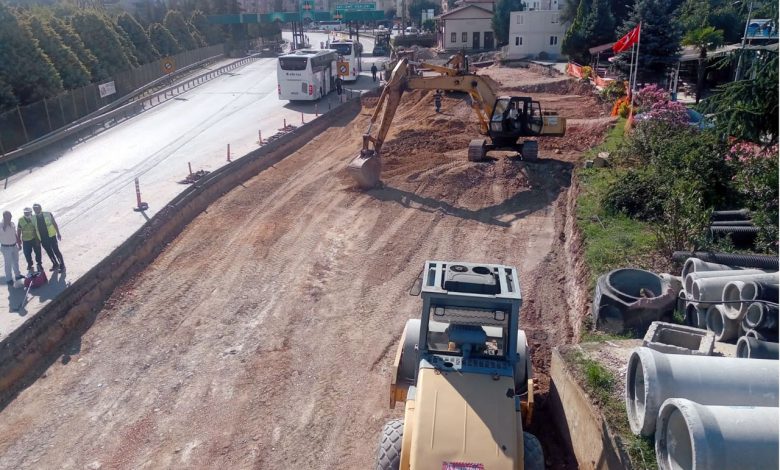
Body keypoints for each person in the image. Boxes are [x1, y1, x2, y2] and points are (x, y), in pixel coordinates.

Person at [32, 203, 65, 273]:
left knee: (56, 251)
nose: (36, 209)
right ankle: (55, 264)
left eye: (37, 208)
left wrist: (58, 233)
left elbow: (54, 223)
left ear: (40, 208)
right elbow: (34, 229)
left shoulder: (47, 214)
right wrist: (37, 240)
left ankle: (62, 265)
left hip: (51, 236)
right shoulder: (33, 218)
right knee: (49, 252)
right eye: (34, 208)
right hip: (43, 239)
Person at [1, 211, 23, 285]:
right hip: (6, 247)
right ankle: (9, 279)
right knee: (8, 264)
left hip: (14, 246)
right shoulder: (1, 225)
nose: (10, 217)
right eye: (9, 216)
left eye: (10, 216)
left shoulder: (12, 224)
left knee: (15, 261)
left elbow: (15, 234)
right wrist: (5, 224)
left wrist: (19, 243)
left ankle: (17, 275)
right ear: (4, 217)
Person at [17, 207, 43, 272]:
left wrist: (38, 239)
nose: (26, 213)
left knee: (38, 252)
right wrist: (19, 240)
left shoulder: (34, 218)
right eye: (25, 212)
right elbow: (19, 230)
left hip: (35, 239)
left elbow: (37, 228)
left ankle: (39, 263)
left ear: (31, 212)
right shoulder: (21, 220)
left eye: (27, 212)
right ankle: (29, 264)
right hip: (26, 240)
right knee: (27, 253)